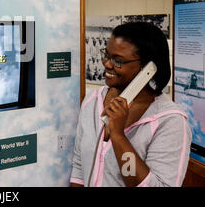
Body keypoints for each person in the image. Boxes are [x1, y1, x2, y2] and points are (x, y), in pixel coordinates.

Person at [70, 22, 192, 187]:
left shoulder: (170, 122)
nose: (107, 64)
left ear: (149, 67)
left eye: (118, 60)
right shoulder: (93, 100)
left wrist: (119, 136)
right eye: (106, 55)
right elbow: (79, 166)